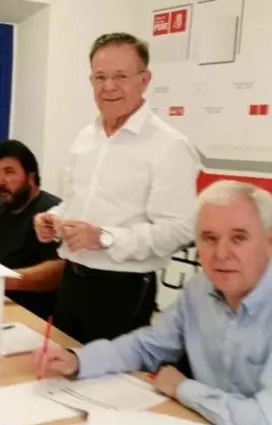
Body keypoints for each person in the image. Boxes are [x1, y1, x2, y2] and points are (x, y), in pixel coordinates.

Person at [36, 180, 272, 425]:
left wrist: (183, 388)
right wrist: (79, 360)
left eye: (239, 238)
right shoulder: (201, 289)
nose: (221, 253)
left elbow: (269, 424)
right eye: (209, 238)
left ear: (269, 238)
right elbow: (148, 346)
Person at [34, 32, 200, 344]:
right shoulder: (85, 137)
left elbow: (179, 230)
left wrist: (105, 238)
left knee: (109, 375)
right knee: (61, 365)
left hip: (123, 290)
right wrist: (53, 220)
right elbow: (74, 203)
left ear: (144, 80)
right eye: (100, 77)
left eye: (121, 76)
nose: (108, 86)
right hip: (71, 279)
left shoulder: (169, 145)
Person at [0, 140, 65, 319]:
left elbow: (58, 271)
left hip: (33, 315)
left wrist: (3, 280)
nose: (1, 181)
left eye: (9, 172)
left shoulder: (51, 213)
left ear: (31, 177)